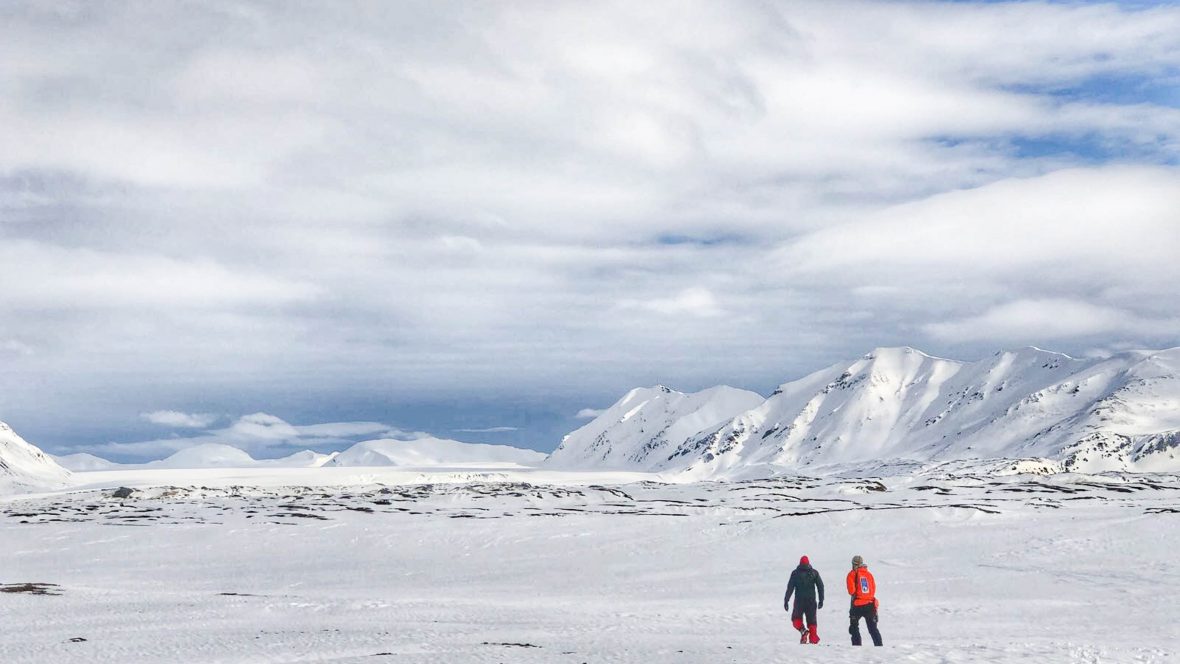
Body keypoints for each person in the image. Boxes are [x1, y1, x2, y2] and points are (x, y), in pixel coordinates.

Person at [783, 555, 824, 644]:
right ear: (808, 563)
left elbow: (790, 588)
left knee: (795, 619)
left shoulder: (795, 573)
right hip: (811, 601)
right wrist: (821, 600)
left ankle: (803, 630)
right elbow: (820, 587)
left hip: (799, 601)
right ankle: (813, 639)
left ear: (800, 563)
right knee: (812, 621)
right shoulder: (814, 573)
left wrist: (786, 600)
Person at [846, 555, 883, 646]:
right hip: (870, 605)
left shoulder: (851, 574)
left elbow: (851, 591)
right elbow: (873, 589)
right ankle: (880, 647)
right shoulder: (869, 574)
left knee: (854, 627)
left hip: (857, 605)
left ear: (853, 564)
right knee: (873, 629)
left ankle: (857, 647)